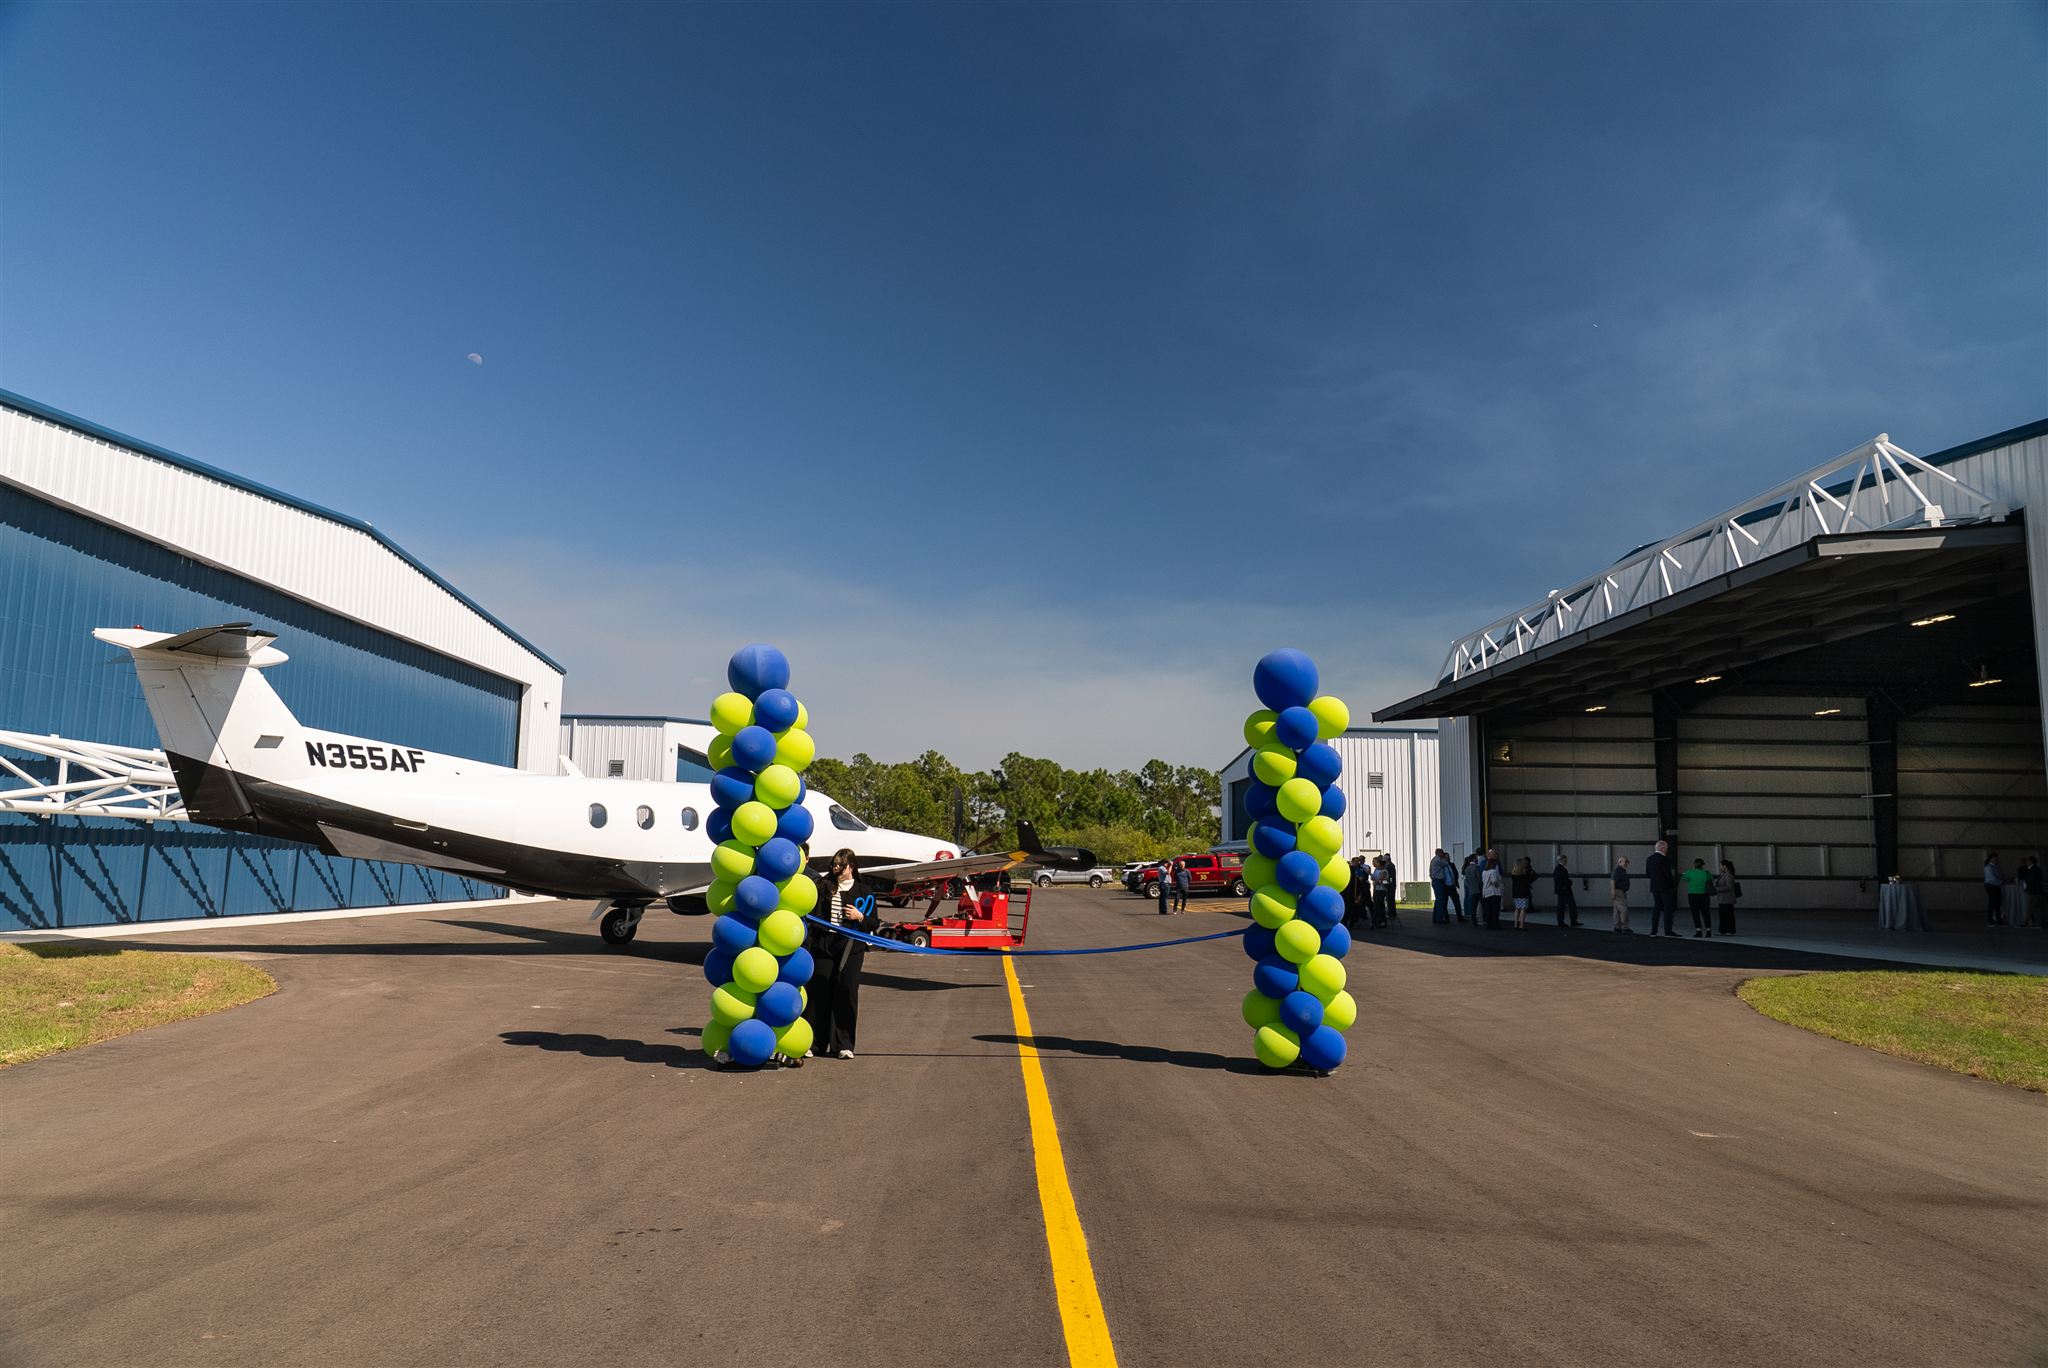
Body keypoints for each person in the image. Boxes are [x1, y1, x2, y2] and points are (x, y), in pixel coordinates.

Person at [803, 848, 869, 1059]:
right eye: (834, 865)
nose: (836, 869)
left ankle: (843, 1044)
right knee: (818, 992)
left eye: (841, 865)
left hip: (850, 948)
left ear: (852, 867)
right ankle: (814, 1043)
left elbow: (874, 922)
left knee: (846, 992)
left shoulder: (863, 891)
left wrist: (860, 916)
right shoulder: (823, 885)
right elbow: (812, 914)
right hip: (824, 946)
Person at [1646, 840, 1677, 938]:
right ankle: (1668, 931)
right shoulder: (1665, 860)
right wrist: (1672, 885)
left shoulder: (1649, 859)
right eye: (1666, 848)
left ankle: (1653, 931)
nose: (1667, 850)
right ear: (1662, 848)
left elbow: (1648, 874)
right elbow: (1668, 875)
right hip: (1666, 887)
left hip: (1654, 887)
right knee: (1667, 910)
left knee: (1656, 908)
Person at [1680, 857, 1714, 937]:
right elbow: (1711, 881)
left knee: (1695, 913)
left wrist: (1684, 874)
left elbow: (1683, 879)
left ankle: (1699, 931)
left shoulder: (1689, 872)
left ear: (1694, 865)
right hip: (1704, 895)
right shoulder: (1707, 873)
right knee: (1706, 913)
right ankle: (1708, 931)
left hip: (1693, 895)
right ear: (1702, 865)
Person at [1508, 856, 1536, 930]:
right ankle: (1521, 924)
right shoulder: (1525, 874)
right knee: (1523, 909)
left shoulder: (1513, 874)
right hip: (1524, 893)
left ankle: (1515, 924)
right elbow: (1530, 880)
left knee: (1517, 908)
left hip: (1515, 893)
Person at [1552, 853, 1578, 929]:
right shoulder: (1563, 870)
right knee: (1571, 906)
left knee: (1561, 907)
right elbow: (1564, 881)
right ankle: (1573, 921)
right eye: (1565, 860)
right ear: (1561, 860)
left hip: (1560, 891)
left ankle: (1561, 921)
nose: (1566, 861)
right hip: (1565, 891)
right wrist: (1569, 882)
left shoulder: (1557, 869)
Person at [1715, 860, 1740, 936]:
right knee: (1723, 915)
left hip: (1727, 899)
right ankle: (1723, 930)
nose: (1720, 867)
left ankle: (1729, 930)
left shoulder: (1728, 875)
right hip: (1723, 899)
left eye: (1721, 865)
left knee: (1728, 915)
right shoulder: (1724, 874)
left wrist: (1717, 889)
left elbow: (1729, 887)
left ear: (1725, 866)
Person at [2018, 856, 2044, 929]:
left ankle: (2025, 922)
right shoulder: (2037, 869)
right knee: (2037, 908)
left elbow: (2030, 880)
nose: (2027, 862)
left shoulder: (2032, 870)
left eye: (2028, 861)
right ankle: (2039, 923)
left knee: (2029, 907)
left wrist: (2027, 888)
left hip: (2033, 891)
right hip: (2037, 891)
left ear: (2030, 862)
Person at [1480, 855, 1504, 930]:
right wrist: (1498, 884)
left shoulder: (1484, 872)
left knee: (1488, 909)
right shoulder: (1493, 871)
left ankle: (1489, 924)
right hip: (1494, 892)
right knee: (1495, 910)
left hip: (1486, 892)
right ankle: (1495, 924)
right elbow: (1494, 881)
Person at [1610, 855, 1632, 932]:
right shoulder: (1618, 871)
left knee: (1617, 910)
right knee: (1624, 910)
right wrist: (1613, 892)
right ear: (1620, 862)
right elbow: (1613, 881)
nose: (1627, 863)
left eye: (1627, 862)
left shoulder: (1622, 870)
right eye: (1625, 861)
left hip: (1620, 892)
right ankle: (1625, 927)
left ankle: (1617, 927)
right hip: (1619, 892)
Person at [1430, 849, 1453, 924]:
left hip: (1435, 880)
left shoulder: (1433, 860)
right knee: (1440, 900)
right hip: (1438, 881)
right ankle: (1439, 919)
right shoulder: (1438, 860)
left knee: (1438, 900)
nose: (1443, 854)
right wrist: (1445, 858)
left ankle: (1435, 918)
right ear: (1439, 853)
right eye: (1442, 853)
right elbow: (1446, 864)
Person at [1984, 852, 2006, 925]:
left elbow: (1999, 876)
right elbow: (1992, 878)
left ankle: (1998, 919)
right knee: (1992, 903)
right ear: (1991, 859)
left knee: (1998, 903)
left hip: (1996, 886)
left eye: (1997, 858)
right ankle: (1990, 920)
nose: (1996, 859)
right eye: (1995, 858)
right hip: (1991, 886)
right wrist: (2001, 882)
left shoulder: (1995, 867)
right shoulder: (1988, 867)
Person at [1462, 854, 1483, 928]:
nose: (1477, 859)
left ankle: (1474, 921)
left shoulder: (1467, 868)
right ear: (1474, 859)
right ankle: (1483, 919)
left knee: (1473, 906)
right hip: (1478, 889)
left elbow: (1467, 880)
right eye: (1476, 858)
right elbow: (1479, 879)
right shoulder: (1476, 867)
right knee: (1483, 904)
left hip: (1471, 889)